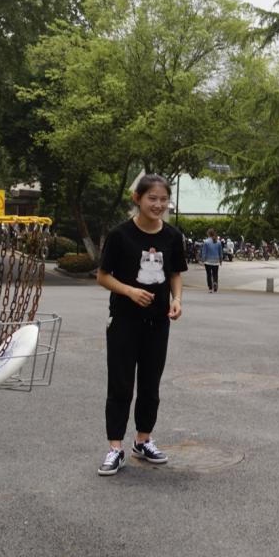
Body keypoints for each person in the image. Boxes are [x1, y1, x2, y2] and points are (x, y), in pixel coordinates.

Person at [95, 173, 187, 476]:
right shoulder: (120, 235)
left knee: (150, 384)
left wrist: (176, 300)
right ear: (137, 199)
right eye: (152, 198)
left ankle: (143, 440)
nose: (158, 204)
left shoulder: (172, 236)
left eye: (164, 199)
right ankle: (115, 447)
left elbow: (175, 273)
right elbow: (102, 276)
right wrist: (130, 291)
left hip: (158, 322)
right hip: (124, 320)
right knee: (120, 383)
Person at [201, 228, 223, 293]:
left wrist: (203, 260)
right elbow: (220, 252)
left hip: (208, 261)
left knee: (209, 274)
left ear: (208, 234)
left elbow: (204, 252)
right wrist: (221, 260)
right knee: (215, 274)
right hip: (216, 261)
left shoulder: (206, 242)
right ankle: (215, 283)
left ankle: (210, 288)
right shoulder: (218, 242)